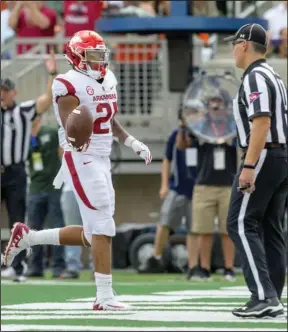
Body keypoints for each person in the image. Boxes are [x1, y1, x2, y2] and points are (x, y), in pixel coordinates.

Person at [4, 30, 152, 310]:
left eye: (101, 54)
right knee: (104, 226)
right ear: (77, 57)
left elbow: (108, 118)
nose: (99, 60)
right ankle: (104, 296)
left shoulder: (108, 78)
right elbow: (72, 127)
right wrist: (76, 138)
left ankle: (28, 237)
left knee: (92, 232)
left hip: (103, 157)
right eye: (92, 55)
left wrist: (131, 141)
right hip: (82, 158)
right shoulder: (66, 83)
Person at [224, 23, 288, 318]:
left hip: (264, 153)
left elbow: (260, 122)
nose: (232, 50)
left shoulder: (255, 76)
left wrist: (248, 166)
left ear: (244, 44)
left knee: (239, 222)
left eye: (234, 44)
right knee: (269, 227)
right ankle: (272, 293)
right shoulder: (273, 75)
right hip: (280, 155)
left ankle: (264, 296)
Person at [1, 53, 58, 281]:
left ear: (14, 93)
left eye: (6, 91)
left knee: (17, 220)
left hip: (15, 172)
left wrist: (52, 73)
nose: (2, 95)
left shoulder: (23, 111)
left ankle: (18, 266)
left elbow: (48, 97)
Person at [178, 94, 237, 281]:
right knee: (204, 230)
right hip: (204, 184)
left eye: (220, 103)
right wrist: (183, 127)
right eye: (213, 104)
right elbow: (183, 146)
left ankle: (229, 268)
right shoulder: (201, 128)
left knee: (228, 230)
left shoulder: (232, 127)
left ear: (226, 107)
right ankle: (204, 268)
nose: (216, 107)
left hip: (228, 183)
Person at [139, 121, 199, 277]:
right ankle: (156, 257)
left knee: (194, 229)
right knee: (165, 222)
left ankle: (193, 265)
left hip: (198, 189)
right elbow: (167, 160)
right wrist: (164, 185)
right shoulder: (176, 134)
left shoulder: (202, 135)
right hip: (177, 187)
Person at [27, 115, 65, 278]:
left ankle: (58, 266)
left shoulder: (50, 132)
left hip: (54, 187)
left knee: (57, 227)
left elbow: (65, 137)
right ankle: (35, 267)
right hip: (35, 187)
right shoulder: (23, 139)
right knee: (33, 229)